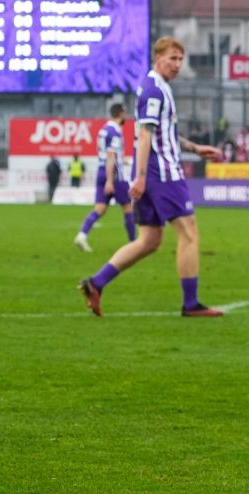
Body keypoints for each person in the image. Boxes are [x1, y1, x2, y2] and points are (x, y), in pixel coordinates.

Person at [78, 37, 224, 318]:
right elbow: (145, 136)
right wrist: (142, 177)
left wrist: (194, 148)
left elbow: (161, 133)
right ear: (158, 58)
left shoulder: (156, 86)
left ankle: (95, 283)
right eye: (172, 58)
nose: (177, 65)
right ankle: (191, 304)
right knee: (189, 233)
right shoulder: (154, 90)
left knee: (150, 240)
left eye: (180, 59)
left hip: (154, 171)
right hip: (162, 173)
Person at [74, 103, 137, 253]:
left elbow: (108, 155)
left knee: (100, 208)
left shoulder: (103, 130)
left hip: (102, 171)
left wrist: (124, 161)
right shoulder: (115, 132)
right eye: (125, 113)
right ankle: (134, 244)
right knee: (128, 207)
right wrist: (110, 180)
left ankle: (82, 236)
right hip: (114, 174)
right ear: (120, 113)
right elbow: (111, 156)